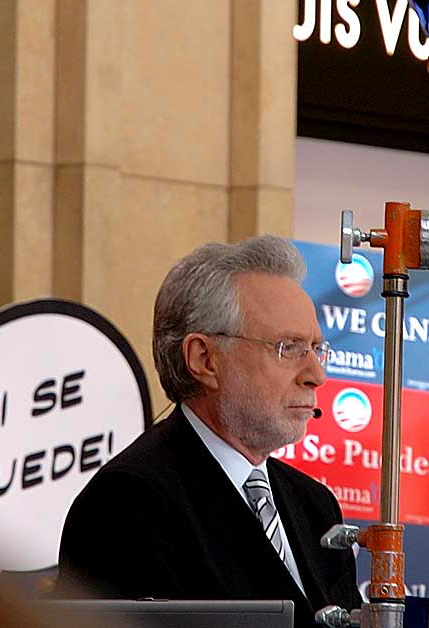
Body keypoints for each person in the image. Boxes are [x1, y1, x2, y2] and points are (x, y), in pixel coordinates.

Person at [56, 236, 362, 626]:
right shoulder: (128, 502)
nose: (316, 375)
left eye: (317, 349)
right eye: (288, 348)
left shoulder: (315, 505)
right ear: (204, 359)